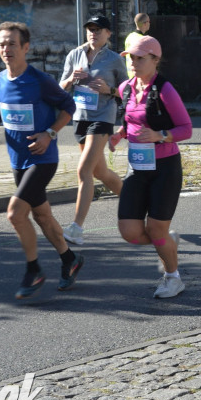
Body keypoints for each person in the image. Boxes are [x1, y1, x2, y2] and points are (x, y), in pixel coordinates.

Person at [0, 22, 83, 299]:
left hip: (43, 158)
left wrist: (50, 133)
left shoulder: (39, 80)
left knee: (15, 213)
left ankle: (33, 269)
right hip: (18, 161)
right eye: (2, 43)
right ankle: (69, 259)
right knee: (42, 216)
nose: (6, 49)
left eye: (12, 43)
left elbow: (68, 106)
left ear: (25, 47)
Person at [110, 35, 192, 298]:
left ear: (155, 60)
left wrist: (161, 135)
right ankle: (169, 242)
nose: (133, 63)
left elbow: (186, 128)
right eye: (131, 58)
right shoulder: (124, 88)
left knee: (156, 229)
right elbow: (132, 122)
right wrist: (119, 134)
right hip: (138, 167)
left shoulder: (165, 89)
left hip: (165, 167)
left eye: (139, 58)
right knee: (130, 232)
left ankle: (173, 277)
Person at [57, 15, 128, 247]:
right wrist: (69, 80)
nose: (93, 33)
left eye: (98, 29)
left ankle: (76, 227)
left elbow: (128, 91)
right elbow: (61, 88)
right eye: (90, 29)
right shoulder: (74, 55)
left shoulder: (114, 60)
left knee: (84, 171)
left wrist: (110, 89)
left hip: (102, 119)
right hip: (80, 118)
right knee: (102, 173)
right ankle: (135, 204)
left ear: (108, 33)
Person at [123, 12, 150, 78]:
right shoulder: (143, 39)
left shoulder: (129, 37)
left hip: (130, 75)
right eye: (149, 21)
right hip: (139, 75)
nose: (149, 23)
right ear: (145, 23)